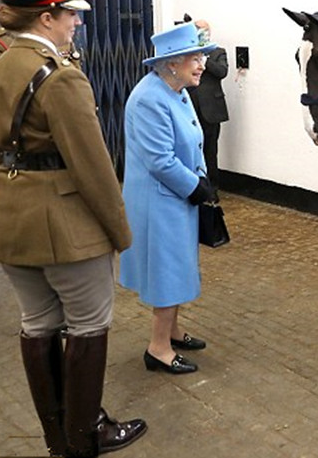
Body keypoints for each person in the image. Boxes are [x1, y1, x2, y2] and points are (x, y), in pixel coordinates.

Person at [0, 0, 147, 456]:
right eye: (70, 14)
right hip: (68, 227)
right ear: (46, 17)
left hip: (11, 219)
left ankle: (58, 437)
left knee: (37, 325)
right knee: (89, 325)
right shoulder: (61, 78)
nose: (76, 23)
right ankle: (85, 436)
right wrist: (120, 232)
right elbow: (92, 167)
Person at [119, 22, 217, 375]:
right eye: (195, 57)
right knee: (166, 272)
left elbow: (193, 136)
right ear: (171, 62)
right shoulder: (148, 98)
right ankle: (157, 348)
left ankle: (172, 332)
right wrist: (196, 187)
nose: (202, 64)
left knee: (178, 266)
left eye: (202, 56)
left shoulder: (175, 89)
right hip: (159, 201)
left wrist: (202, 176)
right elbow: (159, 160)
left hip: (178, 196)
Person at [187, 19, 229, 199]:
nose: (201, 34)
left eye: (204, 31)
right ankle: (194, 185)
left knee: (210, 150)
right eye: (198, 31)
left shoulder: (218, 52)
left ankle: (212, 189)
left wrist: (204, 57)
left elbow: (222, 72)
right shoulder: (188, 53)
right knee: (191, 148)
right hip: (190, 108)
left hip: (211, 110)